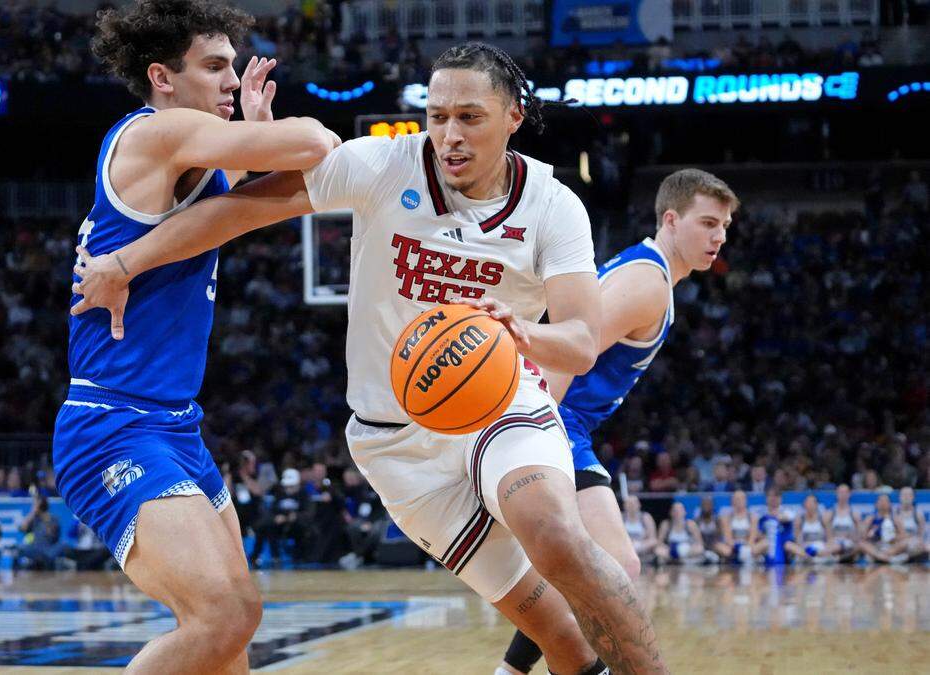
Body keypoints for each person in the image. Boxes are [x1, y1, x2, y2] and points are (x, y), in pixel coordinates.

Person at [72, 41, 667, 673]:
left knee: (553, 530)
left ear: (513, 116)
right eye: (437, 117)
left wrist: (520, 332)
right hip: (396, 447)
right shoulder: (382, 164)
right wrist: (125, 262)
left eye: (470, 117)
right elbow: (233, 213)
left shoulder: (554, 205)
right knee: (564, 643)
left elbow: (578, 340)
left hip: (498, 406)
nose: (450, 135)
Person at [55, 1, 337, 672]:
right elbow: (318, 146)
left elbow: (240, 205)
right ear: (163, 77)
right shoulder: (156, 132)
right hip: (112, 424)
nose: (231, 83)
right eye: (213, 67)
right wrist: (271, 142)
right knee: (226, 616)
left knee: (227, 640)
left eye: (233, 68)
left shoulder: (186, 157)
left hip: (176, 425)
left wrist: (254, 148)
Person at [498, 168, 737, 672]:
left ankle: (513, 669)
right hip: (554, 422)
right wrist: (534, 433)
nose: (719, 236)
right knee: (614, 568)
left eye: (725, 225)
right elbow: (566, 354)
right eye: (708, 222)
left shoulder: (650, 275)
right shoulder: (647, 282)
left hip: (565, 426)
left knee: (593, 570)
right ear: (671, 220)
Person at [16, 493, 63, 569]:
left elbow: (52, 535)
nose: (34, 506)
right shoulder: (34, 519)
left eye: (35, 504)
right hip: (34, 548)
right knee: (17, 550)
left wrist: (46, 520)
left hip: (48, 550)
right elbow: (22, 528)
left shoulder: (53, 519)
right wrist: (32, 513)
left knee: (61, 546)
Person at [860, 492, 907, 564]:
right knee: (862, 544)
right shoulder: (870, 519)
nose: (883, 503)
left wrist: (893, 537)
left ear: (890, 504)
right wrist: (871, 534)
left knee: (905, 543)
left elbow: (903, 536)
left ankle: (879, 557)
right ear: (876, 504)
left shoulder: (895, 518)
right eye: (881, 501)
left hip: (891, 547)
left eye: (885, 501)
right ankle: (888, 559)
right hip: (876, 547)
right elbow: (863, 537)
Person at [786, 494, 832, 563]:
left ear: (816, 505)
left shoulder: (823, 519)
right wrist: (803, 548)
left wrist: (826, 550)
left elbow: (829, 539)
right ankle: (808, 557)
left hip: (820, 549)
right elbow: (797, 540)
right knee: (788, 544)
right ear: (804, 504)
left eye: (812, 502)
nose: (810, 505)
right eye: (808, 502)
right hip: (805, 550)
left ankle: (817, 557)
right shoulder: (799, 520)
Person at [755, 488, 793, 565]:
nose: (773, 499)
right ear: (766, 498)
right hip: (765, 545)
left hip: (783, 546)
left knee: (787, 544)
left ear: (780, 499)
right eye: (770, 496)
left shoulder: (787, 511)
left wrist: (775, 516)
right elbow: (756, 530)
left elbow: (787, 518)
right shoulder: (760, 513)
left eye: (776, 496)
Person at [717, 490, 757, 563]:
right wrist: (736, 546)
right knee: (719, 546)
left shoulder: (752, 517)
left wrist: (746, 546)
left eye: (741, 499)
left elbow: (753, 537)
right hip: (732, 547)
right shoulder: (727, 518)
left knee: (765, 543)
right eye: (736, 499)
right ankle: (736, 557)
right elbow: (727, 538)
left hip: (748, 546)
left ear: (746, 501)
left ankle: (745, 556)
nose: (739, 501)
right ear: (732, 501)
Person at [826, 484, 861, 563]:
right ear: (837, 494)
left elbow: (859, 535)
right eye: (840, 492)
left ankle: (840, 558)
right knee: (832, 545)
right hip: (834, 544)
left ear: (849, 494)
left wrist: (851, 537)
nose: (843, 495)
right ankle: (839, 558)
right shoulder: (830, 513)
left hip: (850, 544)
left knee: (858, 545)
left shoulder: (855, 514)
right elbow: (828, 535)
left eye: (845, 492)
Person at [621, 495, 658, 567]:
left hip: (641, 546)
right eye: (629, 503)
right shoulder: (621, 517)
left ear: (639, 505)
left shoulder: (646, 517)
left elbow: (653, 539)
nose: (631, 506)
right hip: (626, 546)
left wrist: (640, 546)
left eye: (634, 503)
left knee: (653, 545)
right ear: (625, 505)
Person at [894, 486, 927, 562]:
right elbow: (891, 535)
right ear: (899, 497)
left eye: (909, 495)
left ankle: (903, 557)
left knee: (919, 546)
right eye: (904, 494)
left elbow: (921, 536)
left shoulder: (918, 514)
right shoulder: (894, 513)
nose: (906, 497)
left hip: (913, 545)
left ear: (913, 497)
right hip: (898, 544)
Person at [694, 495, 721, 563]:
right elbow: (695, 537)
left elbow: (718, 537)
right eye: (704, 504)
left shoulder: (717, 520)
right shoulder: (696, 521)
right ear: (701, 506)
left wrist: (712, 548)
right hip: (702, 547)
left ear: (712, 506)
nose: (706, 507)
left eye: (708, 504)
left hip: (713, 547)